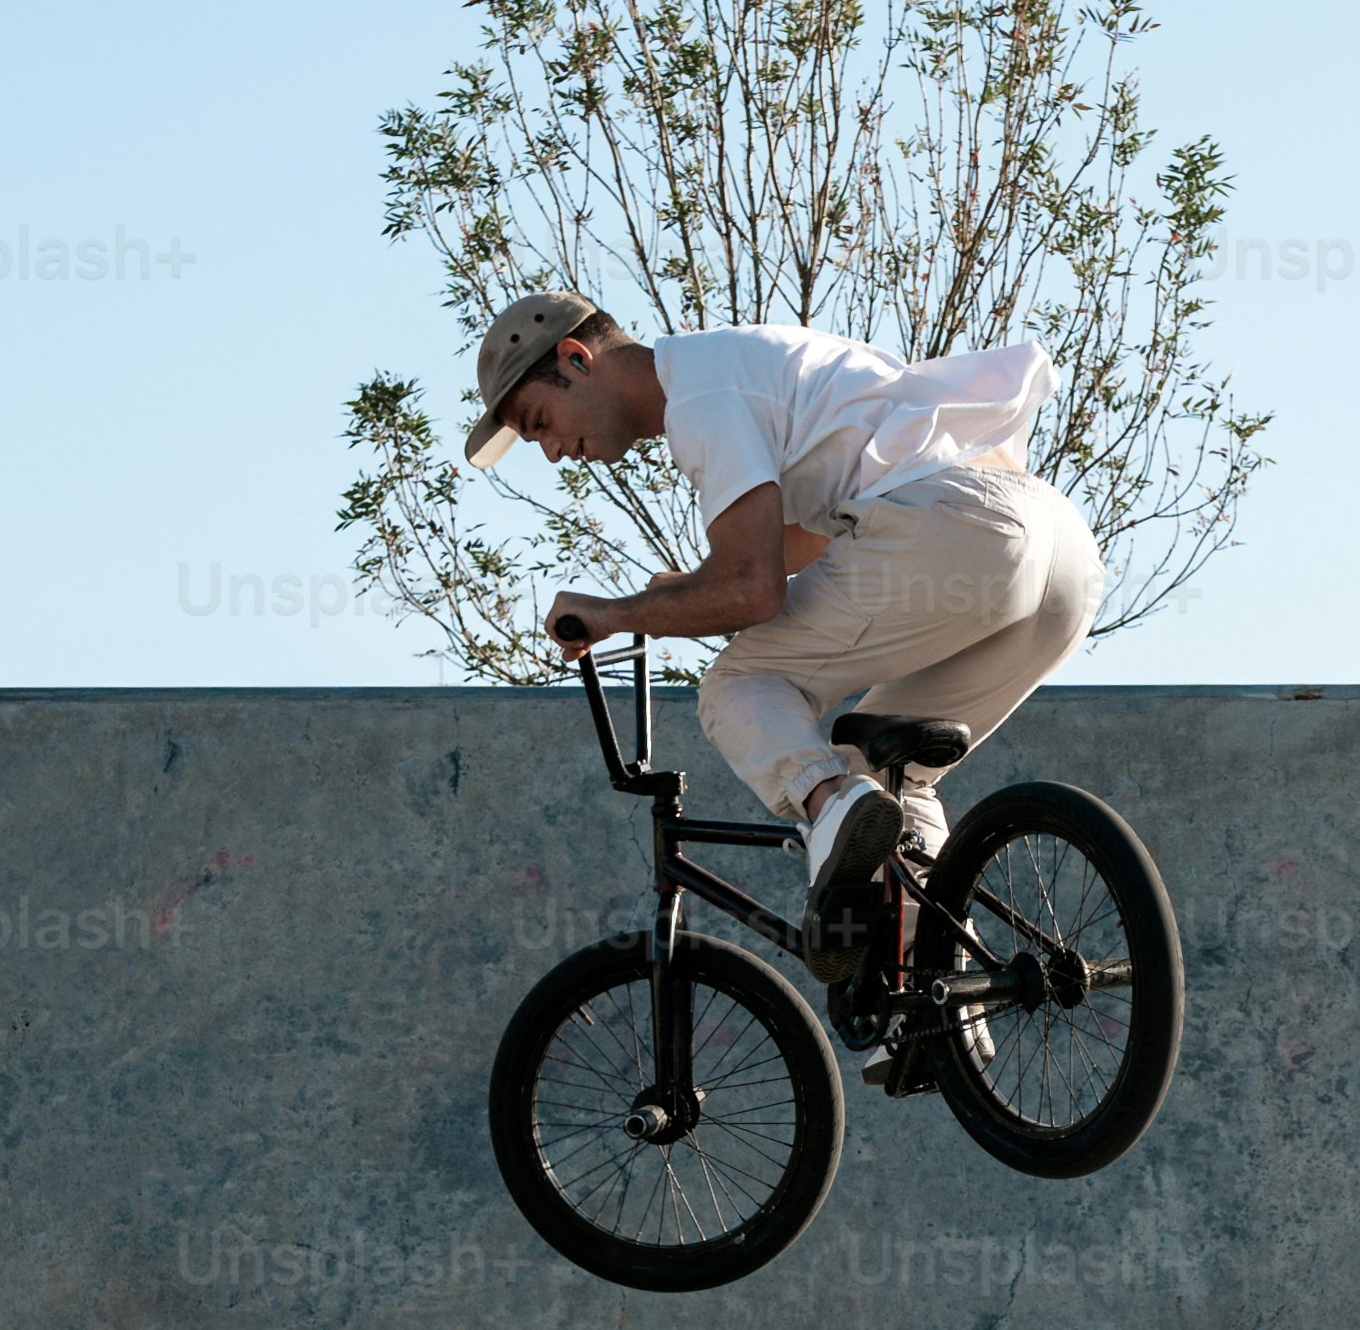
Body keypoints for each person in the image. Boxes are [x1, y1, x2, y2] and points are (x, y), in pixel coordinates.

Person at [463, 291, 1102, 979]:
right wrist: (674, 593)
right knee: (890, 764)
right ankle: (945, 994)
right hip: (1058, 554)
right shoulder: (746, 365)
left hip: (957, 531)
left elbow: (754, 588)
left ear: (577, 358)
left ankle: (832, 809)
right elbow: (794, 547)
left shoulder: (700, 391)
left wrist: (614, 614)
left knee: (738, 684)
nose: (556, 453)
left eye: (539, 423)